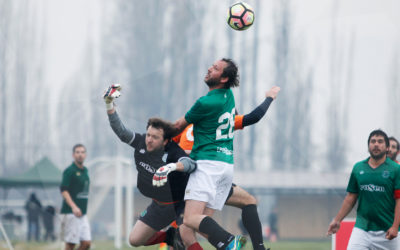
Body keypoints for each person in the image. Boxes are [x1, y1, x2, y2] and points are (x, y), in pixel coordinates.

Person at [171, 86, 280, 250]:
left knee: (190, 227)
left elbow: (170, 142)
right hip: (202, 175)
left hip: (184, 175)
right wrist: (269, 97)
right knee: (189, 225)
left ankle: (247, 247)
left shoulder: (190, 123)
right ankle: (231, 243)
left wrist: (176, 159)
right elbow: (254, 116)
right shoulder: (225, 121)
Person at [104, 85, 197, 248]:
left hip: (180, 204)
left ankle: (225, 241)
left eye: (155, 137)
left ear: (165, 141)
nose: (149, 139)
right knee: (135, 240)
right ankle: (168, 236)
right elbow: (121, 132)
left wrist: (172, 167)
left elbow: (191, 164)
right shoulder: (141, 143)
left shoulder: (173, 151)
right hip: (158, 205)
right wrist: (109, 105)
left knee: (187, 238)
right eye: (148, 135)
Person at [173, 58, 247, 250]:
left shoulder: (204, 103)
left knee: (189, 219)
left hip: (206, 165)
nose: (209, 68)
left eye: (215, 68)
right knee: (189, 229)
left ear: (223, 78)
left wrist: (156, 133)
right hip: (226, 166)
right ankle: (227, 245)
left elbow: (177, 126)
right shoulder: (229, 96)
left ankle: (231, 241)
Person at [327, 129, 400, 250]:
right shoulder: (358, 168)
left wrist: (395, 227)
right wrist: (337, 220)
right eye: (373, 141)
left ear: (387, 148)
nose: (376, 144)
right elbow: (351, 197)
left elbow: (399, 200)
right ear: (368, 146)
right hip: (362, 230)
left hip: (387, 232)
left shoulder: (396, 169)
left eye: (380, 141)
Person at [60, 144, 91, 250]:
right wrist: (73, 207)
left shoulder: (85, 171)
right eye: (77, 152)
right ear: (73, 155)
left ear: (85, 155)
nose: (80, 155)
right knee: (70, 244)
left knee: (86, 243)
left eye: (82, 152)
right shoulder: (69, 171)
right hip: (71, 213)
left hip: (83, 213)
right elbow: (64, 191)